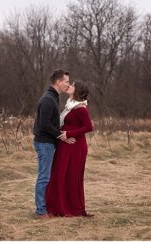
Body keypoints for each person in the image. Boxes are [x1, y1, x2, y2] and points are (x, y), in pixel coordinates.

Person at [45, 82, 95, 217]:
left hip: (75, 147)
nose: (70, 85)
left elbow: (88, 127)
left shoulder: (81, 108)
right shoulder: (70, 105)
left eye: (73, 85)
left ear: (77, 90)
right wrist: (63, 135)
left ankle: (72, 208)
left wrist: (69, 134)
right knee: (60, 174)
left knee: (71, 176)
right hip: (65, 145)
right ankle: (58, 206)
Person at [32, 69, 72, 218]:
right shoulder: (49, 99)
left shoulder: (53, 97)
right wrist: (61, 136)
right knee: (44, 177)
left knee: (45, 176)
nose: (68, 85)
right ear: (58, 82)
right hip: (45, 143)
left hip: (47, 143)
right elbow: (44, 124)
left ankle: (44, 207)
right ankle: (40, 211)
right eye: (66, 82)